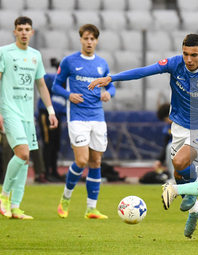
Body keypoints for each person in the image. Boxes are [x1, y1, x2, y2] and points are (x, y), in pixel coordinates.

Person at [88, 34, 198, 236]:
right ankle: (196, 209)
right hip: (180, 126)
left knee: (180, 162)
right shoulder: (175, 64)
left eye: (193, 55)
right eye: (185, 54)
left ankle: (190, 195)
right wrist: (112, 78)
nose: (188, 59)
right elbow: (143, 72)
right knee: (177, 171)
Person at [52, 24, 116, 219]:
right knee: (81, 160)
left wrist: (108, 94)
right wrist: (69, 95)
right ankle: (66, 198)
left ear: (96, 41)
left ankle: (91, 208)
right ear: (80, 39)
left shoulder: (102, 64)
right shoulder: (70, 61)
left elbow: (111, 87)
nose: (89, 42)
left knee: (96, 162)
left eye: (92, 39)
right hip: (78, 118)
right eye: (86, 38)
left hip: (97, 117)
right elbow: (55, 86)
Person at [0, 16, 58, 219]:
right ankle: (4, 196)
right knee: (23, 153)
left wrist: (51, 111)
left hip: (27, 114)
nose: (24, 32)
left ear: (32, 32)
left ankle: (15, 207)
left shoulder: (35, 55)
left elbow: (41, 85)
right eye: (20, 29)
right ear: (14, 32)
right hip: (9, 110)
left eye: (27, 29)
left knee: (26, 161)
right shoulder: (4, 52)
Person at [38, 68, 66, 183]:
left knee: (55, 145)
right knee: (48, 143)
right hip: (46, 113)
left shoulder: (70, 84)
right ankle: (46, 173)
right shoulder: (53, 78)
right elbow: (44, 81)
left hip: (57, 116)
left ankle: (54, 171)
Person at [153, 103, 175, 182]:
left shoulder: (185, 123)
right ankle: (174, 178)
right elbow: (166, 146)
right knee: (170, 147)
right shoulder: (168, 128)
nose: (166, 120)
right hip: (174, 151)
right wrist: (160, 160)